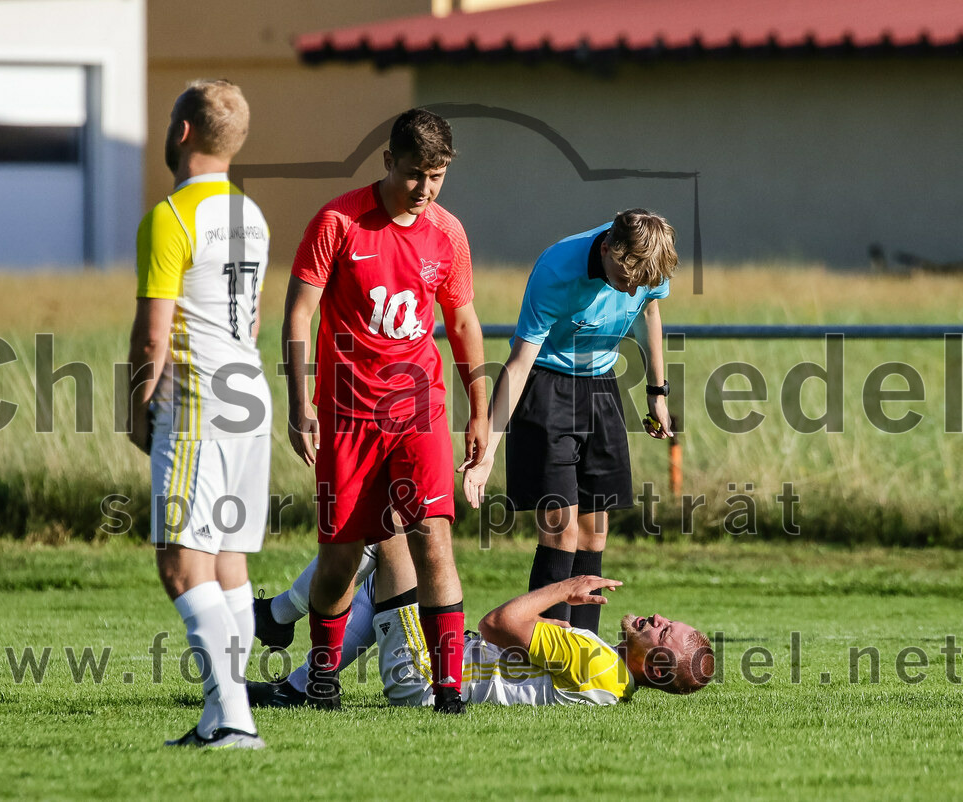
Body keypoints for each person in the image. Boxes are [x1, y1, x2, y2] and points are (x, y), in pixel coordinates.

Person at [281, 108, 487, 713]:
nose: (425, 188)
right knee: (340, 558)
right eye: (415, 173)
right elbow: (298, 315)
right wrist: (299, 404)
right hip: (346, 415)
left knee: (433, 539)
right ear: (389, 161)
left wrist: (479, 411)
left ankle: (447, 690)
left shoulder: (448, 234)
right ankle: (323, 678)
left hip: (419, 410)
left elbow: (462, 322)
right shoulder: (338, 222)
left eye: (438, 175)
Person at [126, 80, 271, 749]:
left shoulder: (170, 215)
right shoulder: (252, 214)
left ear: (182, 132)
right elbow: (253, 320)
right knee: (227, 563)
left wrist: (136, 406)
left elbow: (151, 335)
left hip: (198, 402)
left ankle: (235, 720)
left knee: (183, 565)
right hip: (249, 397)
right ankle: (220, 718)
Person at [461, 210, 678, 636]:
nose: (631, 290)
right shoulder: (556, 271)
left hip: (601, 387)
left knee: (594, 534)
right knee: (561, 531)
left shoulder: (647, 263)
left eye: (641, 283)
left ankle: (584, 651)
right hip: (546, 386)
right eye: (625, 279)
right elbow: (519, 364)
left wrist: (657, 392)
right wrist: (487, 452)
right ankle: (543, 657)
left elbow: (649, 312)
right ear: (607, 249)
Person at [249, 537, 713, 708]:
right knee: (384, 574)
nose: (659, 618)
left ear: (655, 667)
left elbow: (496, 624)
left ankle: (278, 619)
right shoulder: (611, 682)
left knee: (388, 532)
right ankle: (299, 683)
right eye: (668, 621)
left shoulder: (596, 661)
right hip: (442, 670)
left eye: (664, 631)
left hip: (427, 676)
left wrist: (565, 588)